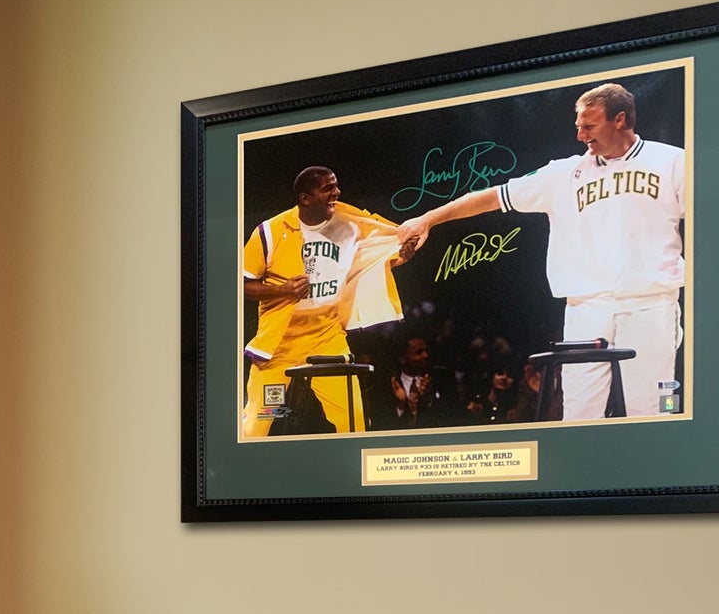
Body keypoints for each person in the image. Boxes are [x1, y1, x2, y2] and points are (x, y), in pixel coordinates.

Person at [395, 82, 685, 422]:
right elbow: (493, 196)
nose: (580, 135)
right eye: (578, 126)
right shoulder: (563, 173)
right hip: (585, 308)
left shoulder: (673, 161)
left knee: (651, 409)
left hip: (650, 303)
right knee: (578, 413)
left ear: (620, 120)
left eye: (588, 126)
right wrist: (430, 218)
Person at [241, 166, 410, 437]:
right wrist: (283, 290)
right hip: (280, 343)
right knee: (257, 425)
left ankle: (352, 476)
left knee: (354, 422)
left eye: (336, 185)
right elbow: (242, 286)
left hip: (327, 336)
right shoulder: (269, 232)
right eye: (328, 188)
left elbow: (385, 251)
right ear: (305, 199)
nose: (337, 192)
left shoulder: (351, 224)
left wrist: (404, 251)